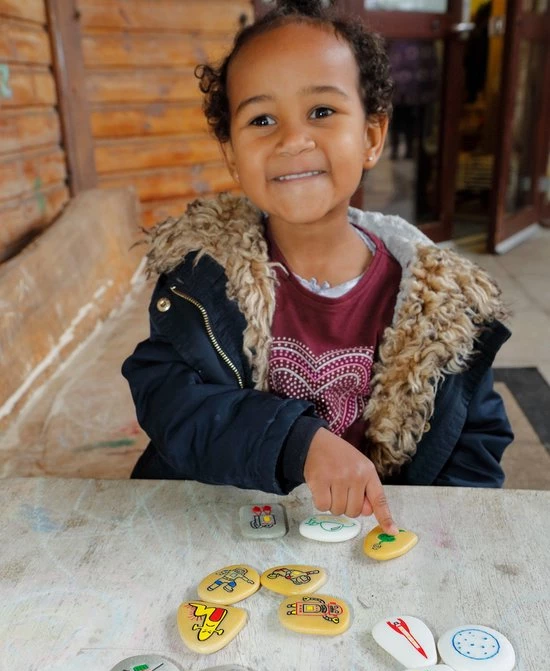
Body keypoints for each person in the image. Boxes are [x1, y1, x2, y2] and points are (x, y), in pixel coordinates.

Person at [122, 0, 513, 535]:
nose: (292, 139)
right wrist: (294, 441)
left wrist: (439, 540)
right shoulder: (201, 281)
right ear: (233, 156)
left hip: (369, 541)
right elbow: (171, 401)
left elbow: (474, 441)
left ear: (373, 137)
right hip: (225, 529)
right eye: (262, 119)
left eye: (322, 112)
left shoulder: (445, 312)